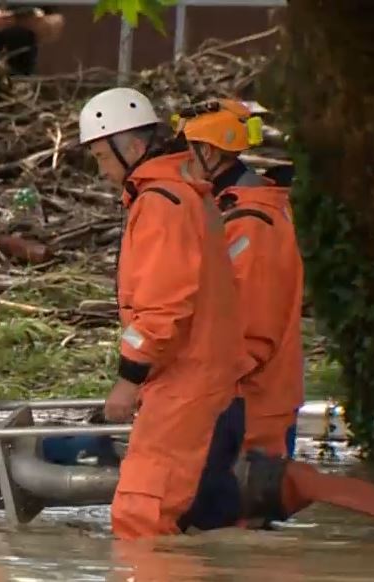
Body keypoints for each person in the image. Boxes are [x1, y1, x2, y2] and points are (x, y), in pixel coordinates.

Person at [78, 87, 247, 540]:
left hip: (183, 381)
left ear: (131, 147)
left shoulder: (162, 203)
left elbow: (163, 306)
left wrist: (128, 378)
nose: (102, 170)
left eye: (101, 156)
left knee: (141, 519)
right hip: (192, 377)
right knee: (174, 518)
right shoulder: (180, 194)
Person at [174, 99, 304, 459]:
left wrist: (190, 387)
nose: (180, 164)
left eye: (187, 151)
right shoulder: (240, 209)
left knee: (233, 514)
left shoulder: (250, 221)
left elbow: (250, 331)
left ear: (209, 153)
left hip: (252, 409)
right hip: (243, 401)